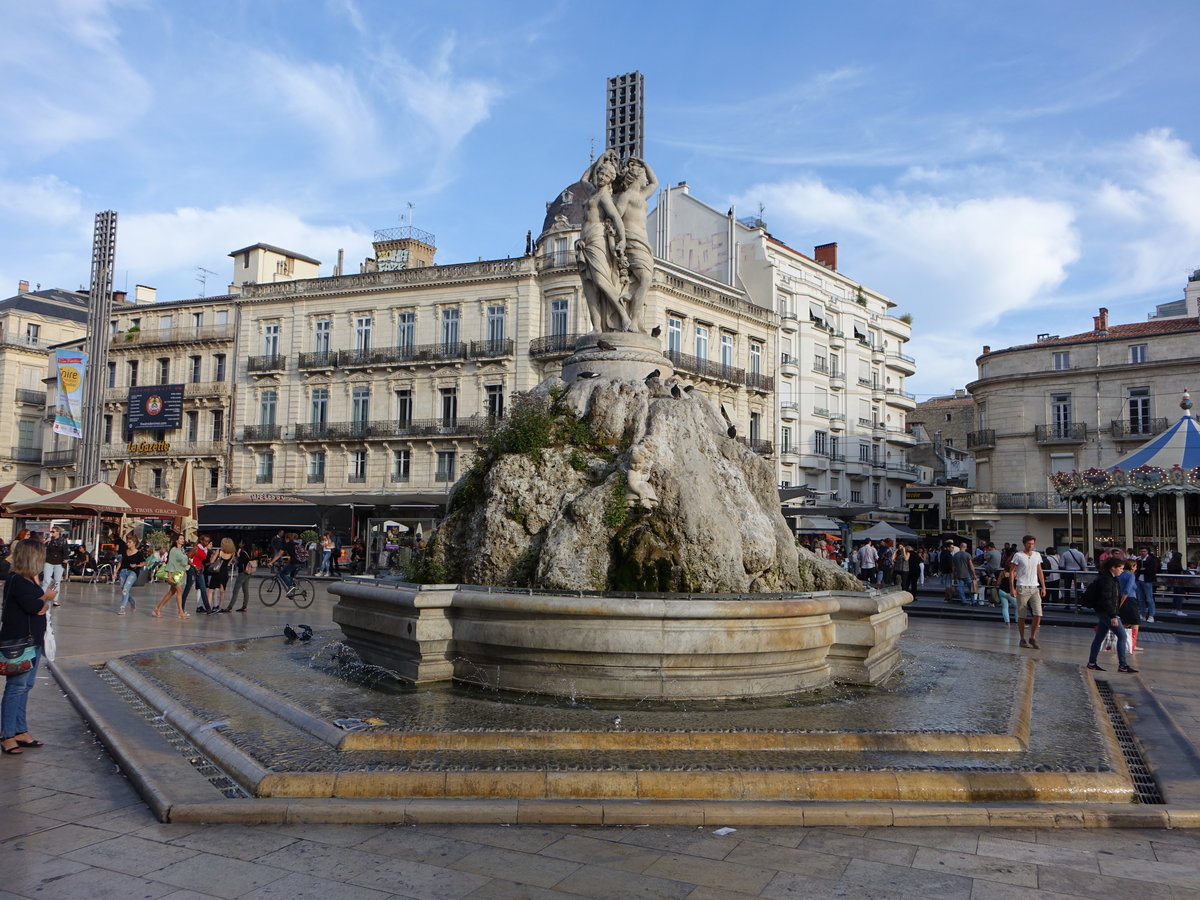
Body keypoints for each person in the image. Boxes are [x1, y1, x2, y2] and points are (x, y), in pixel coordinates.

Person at [1, 538, 56, 755]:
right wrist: (47, 597)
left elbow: (38, 608)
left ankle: (20, 730)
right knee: (16, 688)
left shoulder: (28, 580)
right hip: (19, 644)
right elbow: (35, 607)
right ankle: (7, 735)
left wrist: (41, 594)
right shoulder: (16, 580)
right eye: (40, 557)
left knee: (26, 687)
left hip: (31, 642)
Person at [1085, 557, 1138, 673]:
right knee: (1122, 636)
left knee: (1099, 637)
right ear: (1113, 568)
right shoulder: (1108, 581)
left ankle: (1092, 662)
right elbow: (1107, 599)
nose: (1122, 571)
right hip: (1107, 612)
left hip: (1103, 611)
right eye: (1120, 568)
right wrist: (1113, 615)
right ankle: (1122, 665)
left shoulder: (1109, 579)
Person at [1008, 534, 1047, 649]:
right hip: (1022, 587)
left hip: (1034, 587)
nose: (1031, 546)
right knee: (1022, 615)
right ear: (1024, 544)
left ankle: (1033, 637)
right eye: (1029, 544)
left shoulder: (1037, 555)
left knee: (1038, 613)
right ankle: (1022, 638)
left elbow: (1039, 571)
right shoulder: (1018, 555)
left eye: (1032, 544)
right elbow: (1011, 572)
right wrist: (1012, 588)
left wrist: (1043, 586)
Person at [153, 533, 190, 619]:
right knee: (179, 591)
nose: (182, 540)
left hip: (180, 574)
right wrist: (169, 575)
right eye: (181, 539)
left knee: (171, 593)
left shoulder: (182, 550)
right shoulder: (174, 550)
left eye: (183, 539)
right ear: (176, 540)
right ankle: (180, 612)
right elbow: (171, 562)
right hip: (174, 574)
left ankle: (158, 608)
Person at [115, 533, 145, 615]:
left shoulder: (138, 553)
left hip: (133, 572)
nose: (127, 544)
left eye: (129, 542)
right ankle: (132, 601)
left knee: (125, 589)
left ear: (134, 543)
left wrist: (136, 565)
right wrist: (116, 572)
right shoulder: (124, 551)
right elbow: (120, 562)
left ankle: (122, 608)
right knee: (123, 589)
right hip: (123, 572)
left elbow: (143, 563)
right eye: (127, 542)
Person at [182, 535, 213, 614]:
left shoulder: (205, 550)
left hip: (199, 570)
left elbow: (200, 560)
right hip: (192, 570)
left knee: (203, 588)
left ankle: (208, 609)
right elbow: (187, 558)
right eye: (205, 541)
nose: (206, 543)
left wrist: (202, 566)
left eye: (208, 541)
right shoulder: (196, 548)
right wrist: (194, 566)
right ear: (201, 541)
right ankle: (181, 607)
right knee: (188, 588)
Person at [1117, 558, 1141, 655]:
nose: (1136, 568)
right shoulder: (1131, 575)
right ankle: (1133, 644)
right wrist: (1122, 601)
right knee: (1135, 622)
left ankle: (1120, 642)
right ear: (1132, 566)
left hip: (1119, 598)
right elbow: (1128, 589)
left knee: (1125, 622)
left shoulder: (1120, 574)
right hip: (1130, 599)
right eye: (1135, 566)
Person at [207, 538, 235, 613]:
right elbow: (229, 564)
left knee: (211, 590)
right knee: (222, 591)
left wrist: (213, 555)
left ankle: (208, 607)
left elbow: (211, 561)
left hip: (217, 572)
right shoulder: (232, 553)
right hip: (225, 573)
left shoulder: (219, 551)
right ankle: (220, 607)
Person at [42, 526, 67, 605]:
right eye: (51, 531)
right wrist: (45, 542)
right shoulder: (49, 540)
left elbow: (66, 551)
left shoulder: (63, 541)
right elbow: (41, 548)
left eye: (53, 531)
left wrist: (65, 559)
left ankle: (55, 600)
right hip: (48, 562)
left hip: (59, 563)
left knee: (57, 582)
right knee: (46, 580)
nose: (51, 533)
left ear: (58, 532)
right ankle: (42, 598)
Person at [1059, 542, 1088, 607]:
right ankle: (1078, 604)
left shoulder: (1065, 554)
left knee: (1067, 588)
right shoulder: (1080, 554)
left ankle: (1067, 604)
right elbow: (1084, 565)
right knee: (1078, 588)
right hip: (1078, 572)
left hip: (1068, 572)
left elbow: (1061, 565)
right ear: (1077, 547)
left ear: (1069, 547)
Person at [228, 539, 254, 612]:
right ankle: (244, 606)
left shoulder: (242, 553)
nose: (239, 543)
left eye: (241, 542)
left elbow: (240, 563)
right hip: (248, 573)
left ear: (243, 544)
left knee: (235, 590)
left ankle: (230, 607)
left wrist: (238, 556)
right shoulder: (249, 552)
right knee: (245, 590)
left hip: (242, 573)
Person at [1137, 545, 1159, 623]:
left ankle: (1151, 615)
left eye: (1144, 551)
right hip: (1140, 580)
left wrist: (1142, 570)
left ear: (1147, 552)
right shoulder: (1138, 560)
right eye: (1141, 551)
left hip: (1147, 580)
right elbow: (1138, 570)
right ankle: (1143, 614)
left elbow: (1151, 570)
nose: (1143, 553)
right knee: (1140, 599)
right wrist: (1143, 570)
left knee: (1149, 598)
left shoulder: (1151, 560)